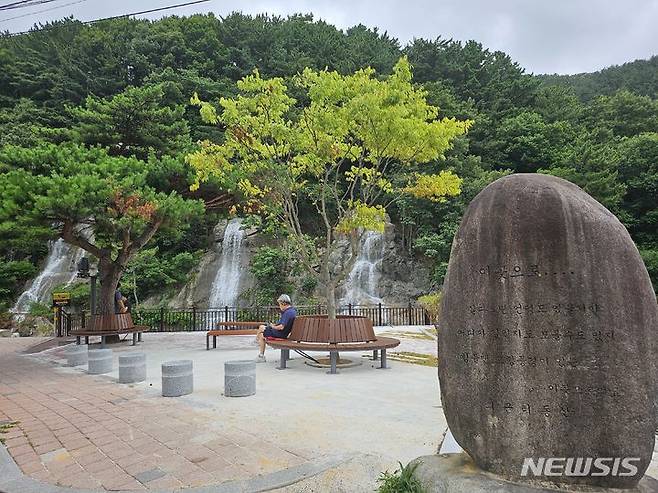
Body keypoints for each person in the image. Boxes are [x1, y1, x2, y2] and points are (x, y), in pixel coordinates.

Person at [255, 294, 296, 362]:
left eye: (280, 304)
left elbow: (281, 327)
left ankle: (258, 348)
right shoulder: (292, 311)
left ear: (283, 303)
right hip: (283, 333)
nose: (279, 306)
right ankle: (260, 353)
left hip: (280, 334)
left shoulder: (287, 313)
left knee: (261, 329)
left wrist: (273, 326)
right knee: (261, 333)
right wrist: (274, 326)